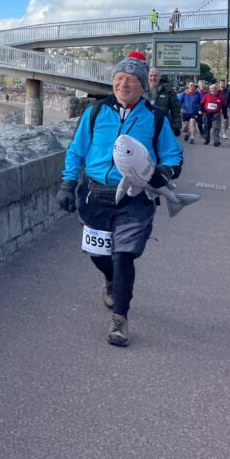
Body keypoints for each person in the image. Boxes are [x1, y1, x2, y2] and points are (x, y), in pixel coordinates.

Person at [56, 51, 183, 347]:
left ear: (141, 84)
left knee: (124, 254)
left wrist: (164, 171)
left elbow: (173, 154)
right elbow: (76, 150)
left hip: (135, 197)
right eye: (118, 78)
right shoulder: (96, 112)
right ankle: (110, 280)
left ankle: (120, 318)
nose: (122, 84)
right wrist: (67, 182)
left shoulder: (155, 118)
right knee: (100, 255)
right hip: (95, 194)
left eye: (129, 79)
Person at [146, 67, 182, 136]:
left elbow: (175, 110)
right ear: (148, 76)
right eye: (151, 75)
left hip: (163, 125)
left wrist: (177, 127)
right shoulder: (141, 89)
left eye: (155, 76)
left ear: (160, 77)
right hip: (145, 125)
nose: (153, 78)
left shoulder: (168, 90)